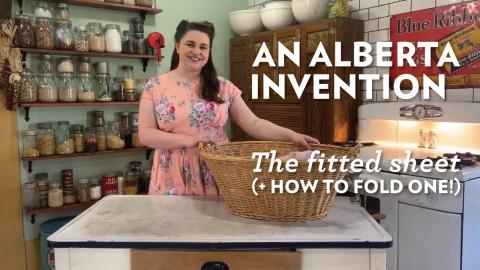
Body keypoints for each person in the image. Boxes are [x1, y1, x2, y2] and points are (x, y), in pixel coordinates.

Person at [139, 20, 319, 196]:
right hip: (172, 173)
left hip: (217, 170)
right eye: (190, 44)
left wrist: (291, 135)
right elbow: (146, 134)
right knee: (173, 224)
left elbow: (253, 123)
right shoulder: (155, 86)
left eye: (203, 47)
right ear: (177, 46)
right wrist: (189, 140)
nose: (196, 51)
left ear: (209, 51)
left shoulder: (224, 87)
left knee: (217, 225)